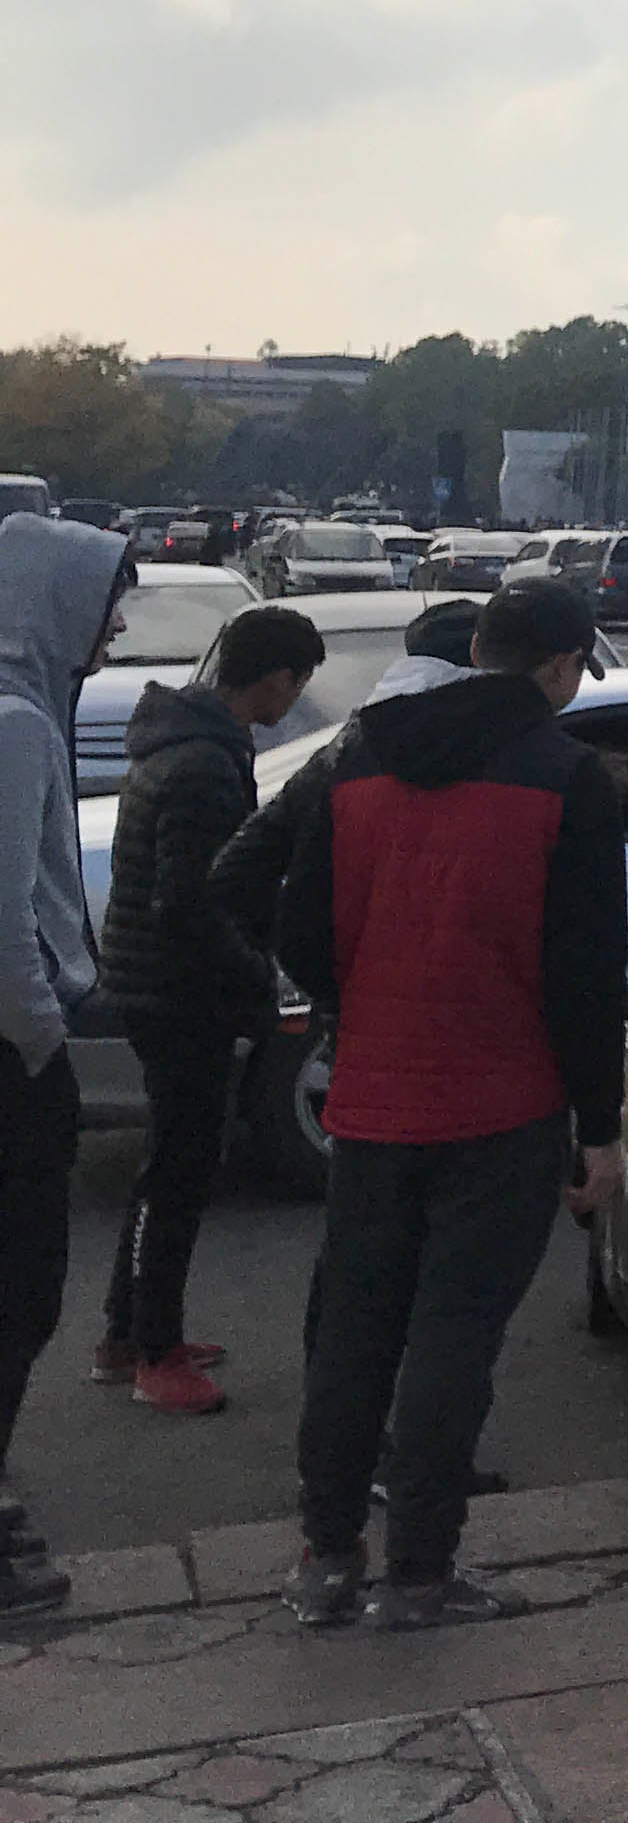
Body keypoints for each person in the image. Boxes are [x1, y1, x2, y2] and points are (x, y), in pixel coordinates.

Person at [261, 572, 626, 1631]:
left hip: (370, 1099)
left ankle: (326, 1560)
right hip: (503, 1107)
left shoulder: (360, 757)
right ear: (558, 668)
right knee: (453, 1336)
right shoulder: (567, 779)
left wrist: (361, 1004)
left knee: (354, 1333)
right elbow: (585, 975)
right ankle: (420, 1575)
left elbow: (298, 930)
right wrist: (597, 1131)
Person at [93, 602, 320, 1414]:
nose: (296, 698)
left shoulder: (184, 743)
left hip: (155, 983)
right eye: (299, 682)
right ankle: (154, 1354)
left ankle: (130, 1332)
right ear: (274, 679)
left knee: (171, 1163)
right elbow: (189, 902)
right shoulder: (203, 766)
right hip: (177, 991)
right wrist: (263, 977)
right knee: (178, 1174)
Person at [0, 513, 132, 1614]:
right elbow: (5, 933)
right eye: (105, 603)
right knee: (20, 1296)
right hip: (8, 1060)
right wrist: (47, 1046)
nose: (119, 626)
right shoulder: (12, 725)